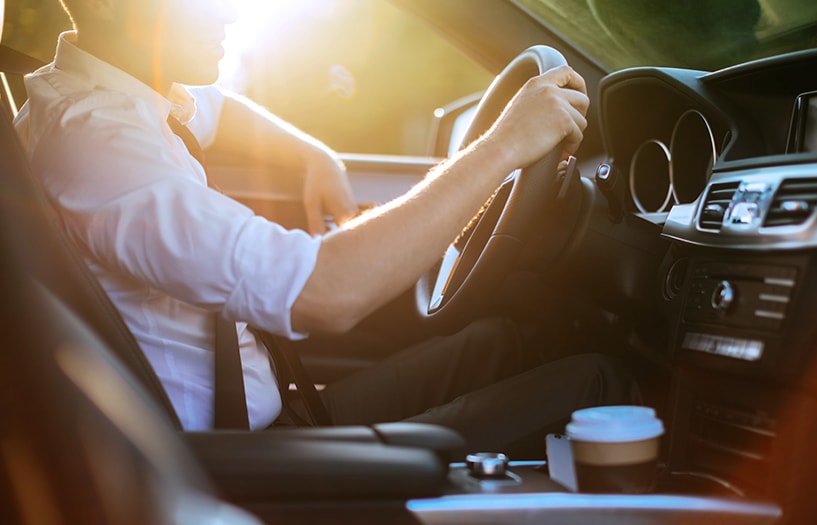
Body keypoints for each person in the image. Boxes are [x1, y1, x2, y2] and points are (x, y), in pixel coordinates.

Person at [15, 0, 633, 455]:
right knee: (601, 383)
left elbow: (221, 111)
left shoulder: (117, 91)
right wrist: (503, 147)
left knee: (510, 342)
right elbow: (324, 293)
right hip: (241, 464)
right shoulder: (100, 144)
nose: (228, 12)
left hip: (282, 413)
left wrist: (315, 155)